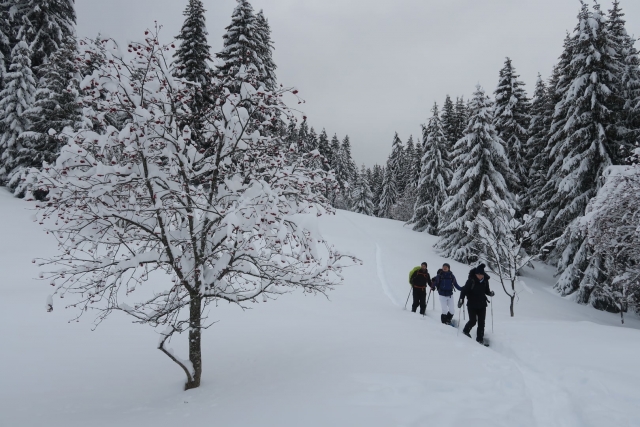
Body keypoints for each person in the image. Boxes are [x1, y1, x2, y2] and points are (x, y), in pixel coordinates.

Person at [458, 264, 495, 344]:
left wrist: (490, 293)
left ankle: (480, 339)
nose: (479, 276)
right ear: (475, 274)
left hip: (482, 304)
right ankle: (465, 331)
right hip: (472, 304)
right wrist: (461, 299)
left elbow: (486, 291)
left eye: (481, 274)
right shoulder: (471, 281)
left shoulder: (485, 281)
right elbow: (464, 291)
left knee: (481, 323)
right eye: (478, 274)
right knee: (473, 321)